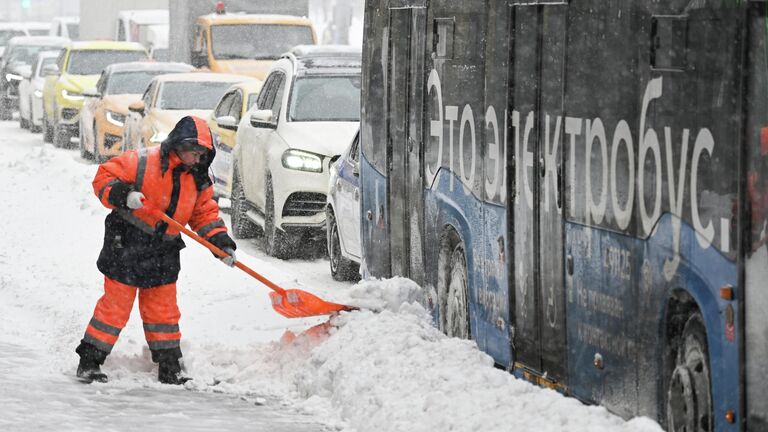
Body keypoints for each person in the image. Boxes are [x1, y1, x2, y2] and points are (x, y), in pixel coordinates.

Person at [75, 116, 237, 384]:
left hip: (164, 248)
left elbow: (204, 214)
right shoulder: (142, 161)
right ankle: (90, 361)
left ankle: (170, 367)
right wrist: (124, 195)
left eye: (201, 155)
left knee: (163, 310)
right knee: (115, 307)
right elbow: (103, 178)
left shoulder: (199, 179)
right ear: (176, 145)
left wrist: (220, 243)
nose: (195, 159)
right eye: (191, 152)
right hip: (126, 240)